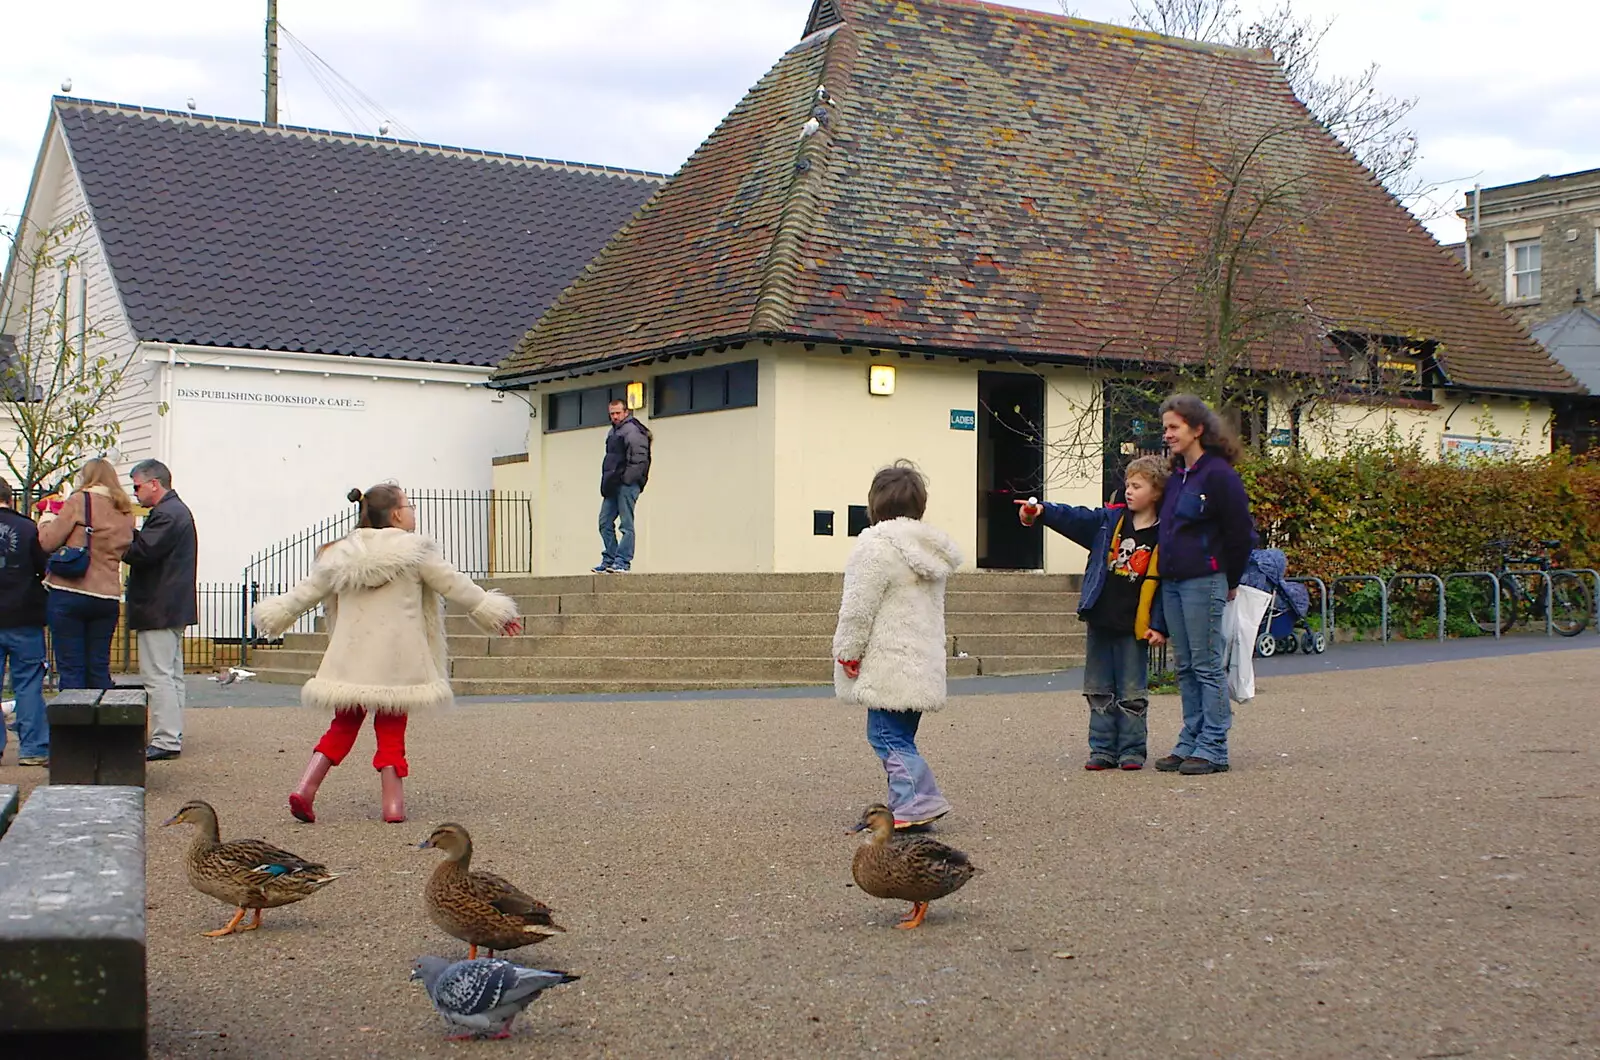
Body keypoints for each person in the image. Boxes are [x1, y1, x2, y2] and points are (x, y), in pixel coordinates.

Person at [253, 484, 523, 824]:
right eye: (409, 505)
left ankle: (306, 787)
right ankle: (393, 806)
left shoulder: (339, 554)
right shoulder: (416, 551)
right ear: (396, 514)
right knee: (392, 728)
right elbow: (456, 585)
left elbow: (304, 594)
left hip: (351, 658)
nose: (413, 511)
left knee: (343, 724)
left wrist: (275, 615)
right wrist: (494, 612)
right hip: (398, 660)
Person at [1017, 455, 1169, 770]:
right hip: (1101, 618)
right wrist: (1042, 511)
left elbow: (1168, 586)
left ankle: (1131, 750)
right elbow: (1075, 517)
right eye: (1127, 484)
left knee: (1132, 691)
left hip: (1134, 626)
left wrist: (1160, 625)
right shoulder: (1109, 521)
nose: (1128, 491)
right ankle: (1101, 749)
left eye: (1137, 486)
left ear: (1156, 492)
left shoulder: (1165, 535)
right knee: (1098, 688)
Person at [833, 461, 962, 829]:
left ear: (874, 505)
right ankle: (904, 803)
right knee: (901, 735)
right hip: (921, 663)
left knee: (884, 735)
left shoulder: (874, 548)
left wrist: (848, 651)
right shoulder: (929, 552)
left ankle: (918, 800)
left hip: (888, 662)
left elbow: (858, 607)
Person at [1151, 394, 1256, 776]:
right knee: (1185, 666)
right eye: (1165, 428)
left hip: (1204, 581)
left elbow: (1241, 533)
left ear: (1197, 429)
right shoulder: (1178, 476)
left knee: (1207, 665)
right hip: (1175, 582)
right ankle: (1191, 739)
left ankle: (1214, 745)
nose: (1168, 434)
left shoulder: (1219, 475)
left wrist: (1230, 578)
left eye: (1174, 427)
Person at [38, 459, 136, 692]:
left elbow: (47, 541)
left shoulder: (80, 500)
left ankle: (74, 726)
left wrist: (47, 520)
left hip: (70, 592)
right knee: (98, 668)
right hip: (107, 596)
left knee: (71, 668)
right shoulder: (125, 512)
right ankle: (100, 726)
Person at [125, 459, 199, 762]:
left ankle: (166, 738)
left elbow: (140, 552)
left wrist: (124, 531)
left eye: (137, 486)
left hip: (158, 604)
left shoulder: (166, 515)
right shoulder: (175, 511)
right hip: (171, 605)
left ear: (154, 483)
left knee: (158, 676)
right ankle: (171, 733)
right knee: (171, 675)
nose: (135, 493)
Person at [0, 479, 50, 766]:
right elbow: (44, 567)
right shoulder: (27, 528)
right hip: (23, 614)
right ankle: (33, 748)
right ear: (10, 498)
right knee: (28, 684)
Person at [594, 398, 652, 573]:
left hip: (626, 484)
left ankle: (623, 562)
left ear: (626, 412)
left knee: (626, 525)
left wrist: (628, 480)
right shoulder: (614, 432)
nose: (615, 416)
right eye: (612, 413)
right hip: (613, 484)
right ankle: (610, 559)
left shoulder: (633, 431)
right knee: (604, 522)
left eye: (618, 413)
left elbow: (639, 459)